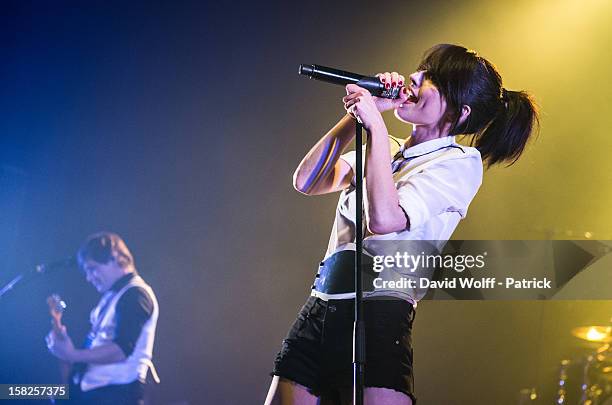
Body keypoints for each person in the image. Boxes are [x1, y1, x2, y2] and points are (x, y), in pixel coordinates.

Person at [265, 44, 539, 405]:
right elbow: (307, 181)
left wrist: (376, 127)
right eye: (420, 69)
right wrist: (358, 118)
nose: (414, 78)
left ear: (459, 111)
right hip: (320, 307)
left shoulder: (458, 162)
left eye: (432, 78)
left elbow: (386, 220)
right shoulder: (386, 146)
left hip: (380, 316)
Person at [46, 232, 160, 405]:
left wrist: (73, 354)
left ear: (116, 258)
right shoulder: (113, 296)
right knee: (16, 391)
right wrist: (64, 348)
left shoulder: (136, 294)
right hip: (94, 392)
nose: (89, 277)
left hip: (116, 395)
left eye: (92, 268)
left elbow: (122, 350)